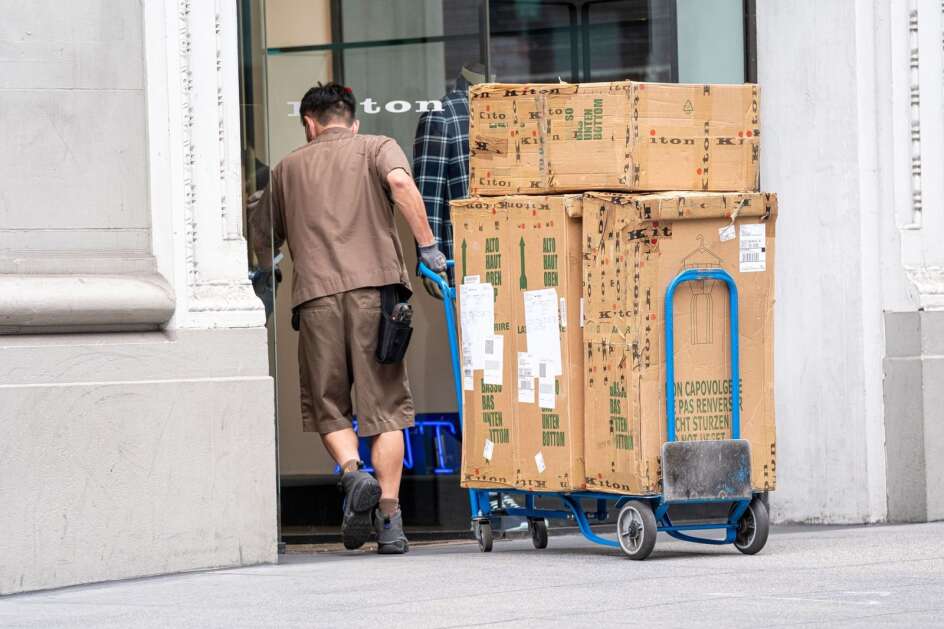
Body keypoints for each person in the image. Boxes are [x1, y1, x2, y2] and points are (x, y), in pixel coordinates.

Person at [249, 82, 447, 554]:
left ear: (310, 125)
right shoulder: (377, 146)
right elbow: (401, 183)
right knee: (386, 408)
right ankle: (391, 521)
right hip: (375, 296)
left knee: (328, 405)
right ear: (351, 121)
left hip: (316, 300)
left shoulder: (286, 169)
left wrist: (265, 269)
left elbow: (263, 239)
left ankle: (353, 474)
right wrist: (428, 247)